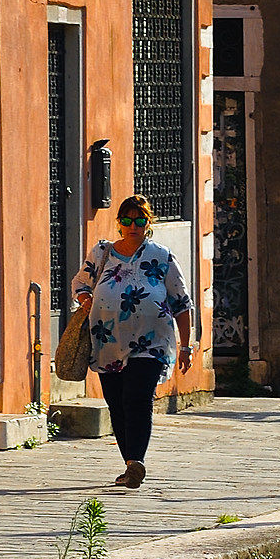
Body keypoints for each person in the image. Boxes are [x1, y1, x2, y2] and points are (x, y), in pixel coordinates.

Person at [71, 195, 194, 490]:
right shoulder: (102, 253)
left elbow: (181, 302)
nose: (133, 226)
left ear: (148, 223)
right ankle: (130, 466)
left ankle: (137, 459)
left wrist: (187, 346)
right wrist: (86, 297)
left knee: (137, 398)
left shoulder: (161, 256)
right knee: (117, 404)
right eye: (126, 220)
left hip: (151, 342)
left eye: (139, 220)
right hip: (107, 342)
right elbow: (79, 283)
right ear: (119, 224)